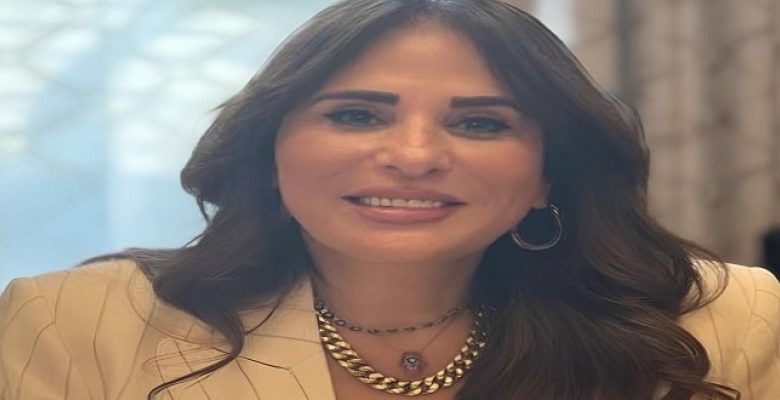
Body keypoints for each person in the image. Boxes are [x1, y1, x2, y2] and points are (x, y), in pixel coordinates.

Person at [1, 0, 779, 399]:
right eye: (356, 115)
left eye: (480, 123)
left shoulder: (733, 321)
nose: (413, 156)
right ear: (270, 154)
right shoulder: (73, 323)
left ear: (550, 173)